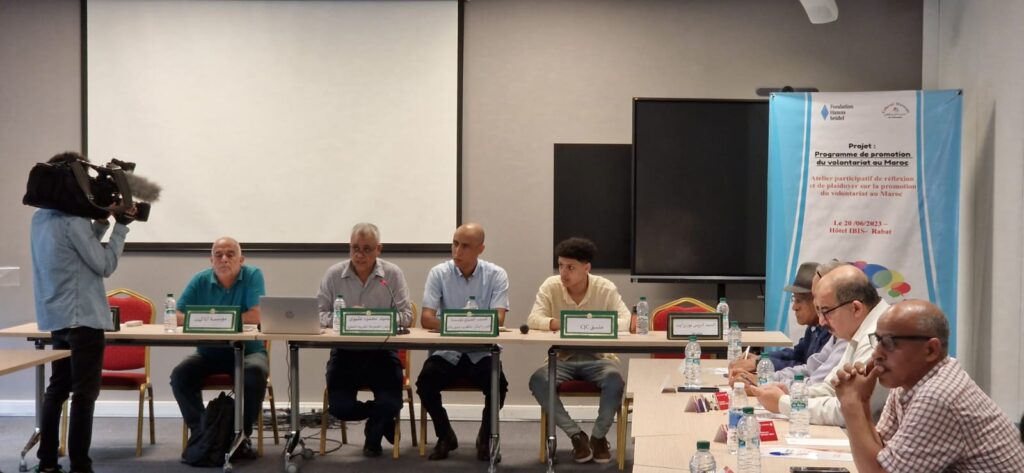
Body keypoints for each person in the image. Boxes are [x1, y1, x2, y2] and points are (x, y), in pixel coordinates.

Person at [30, 152, 132, 473]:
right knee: (84, 396)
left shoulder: (41, 219)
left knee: (57, 389)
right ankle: (80, 466)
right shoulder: (74, 222)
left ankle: (47, 462)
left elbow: (76, 249)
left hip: (57, 317)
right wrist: (120, 228)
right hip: (83, 319)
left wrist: (101, 221)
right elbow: (104, 264)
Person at [834, 300, 1024, 472]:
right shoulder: (907, 383)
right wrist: (862, 402)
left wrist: (852, 405)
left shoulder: (938, 396)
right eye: (877, 341)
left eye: (890, 343)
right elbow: (883, 454)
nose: (876, 354)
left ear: (931, 350)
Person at [527, 237, 633, 464]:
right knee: (538, 380)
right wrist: (560, 324)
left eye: (571, 267)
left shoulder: (605, 288)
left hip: (599, 357)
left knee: (614, 380)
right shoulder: (550, 286)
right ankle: (576, 435)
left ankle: (598, 437)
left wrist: (594, 324)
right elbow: (533, 319)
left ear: (587, 268)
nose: (563, 273)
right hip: (562, 357)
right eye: (560, 266)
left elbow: (626, 321)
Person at [317, 223, 413, 457]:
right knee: (340, 408)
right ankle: (378, 416)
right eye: (355, 248)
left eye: (367, 249)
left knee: (391, 402)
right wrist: (348, 319)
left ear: (379, 249)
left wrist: (371, 320)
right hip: (345, 353)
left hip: (382, 353)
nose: (360, 255)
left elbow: (406, 317)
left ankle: (373, 436)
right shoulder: (334, 274)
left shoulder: (392, 274)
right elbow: (318, 315)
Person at [752, 263, 890, 426]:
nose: (822, 321)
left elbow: (849, 411)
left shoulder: (876, 337)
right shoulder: (858, 330)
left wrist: (784, 403)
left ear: (856, 308)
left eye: (826, 311)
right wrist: (791, 394)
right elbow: (830, 388)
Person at [416, 223, 510, 462]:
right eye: (455, 243)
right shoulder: (439, 273)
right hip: (447, 351)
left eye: (465, 246)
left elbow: (498, 320)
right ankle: (445, 435)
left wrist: (453, 323)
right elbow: (426, 318)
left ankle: (485, 438)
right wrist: (468, 324)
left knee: (498, 385)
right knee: (425, 382)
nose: (457, 251)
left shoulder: (496, 275)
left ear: (480, 249)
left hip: (482, 351)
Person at [169, 237, 267, 457]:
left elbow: (256, 316)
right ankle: (204, 434)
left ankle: (241, 436)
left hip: (248, 352)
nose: (224, 259)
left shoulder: (253, 275)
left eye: (230, 254)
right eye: (218, 255)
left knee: (255, 375)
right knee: (180, 377)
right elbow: (175, 315)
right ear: (211, 260)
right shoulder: (200, 279)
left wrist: (211, 320)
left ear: (241, 259)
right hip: (208, 353)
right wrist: (215, 320)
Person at [731, 259, 846, 388]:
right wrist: (762, 364)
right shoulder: (818, 328)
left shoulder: (839, 333)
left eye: (799, 300)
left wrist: (763, 381)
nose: (794, 307)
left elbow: (815, 382)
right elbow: (806, 365)